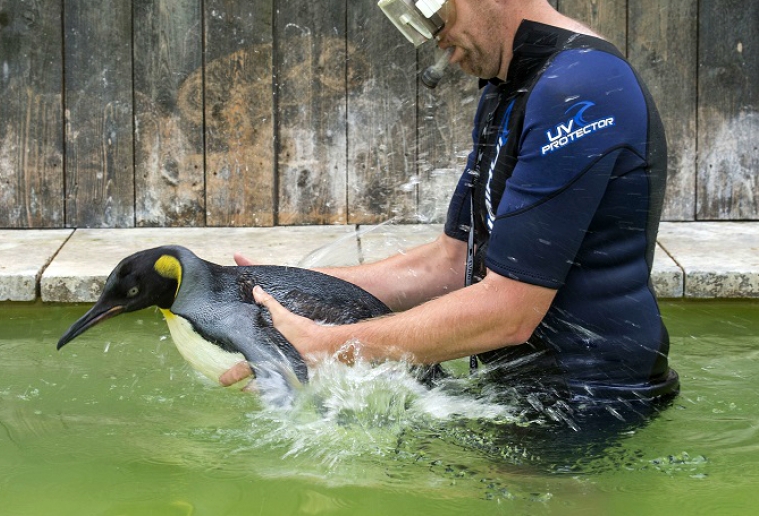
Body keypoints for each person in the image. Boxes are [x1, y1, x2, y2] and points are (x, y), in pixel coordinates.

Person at [220, 0, 679, 419]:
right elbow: (451, 261)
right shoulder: (508, 87)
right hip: (518, 393)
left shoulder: (580, 87)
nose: (435, 41)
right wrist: (284, 289)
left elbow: (509, 310)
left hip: (596, 400)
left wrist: (330, 346)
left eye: (437, 16)